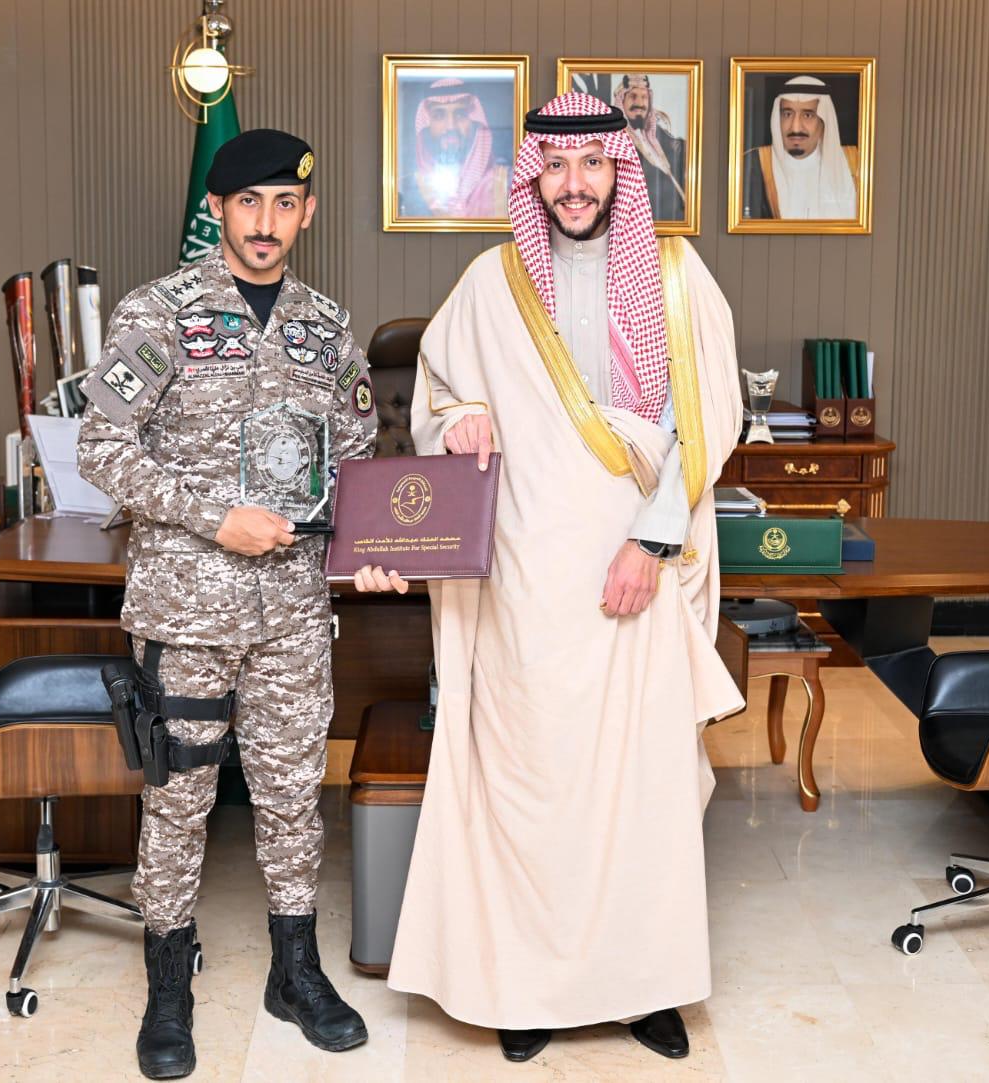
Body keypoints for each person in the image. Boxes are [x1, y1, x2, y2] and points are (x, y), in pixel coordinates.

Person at [355, 93, 744, 1062]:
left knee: (641, 787)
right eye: (556, 169)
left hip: (637, 568)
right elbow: (438, 397)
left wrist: (651, 545)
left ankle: (645, 986)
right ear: (532, 178)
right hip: (524, 578)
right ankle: (524, 989)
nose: (575, 187)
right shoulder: (490, 284)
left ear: (620, 171)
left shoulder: (678, 276)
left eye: (593, 166)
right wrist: (461, 421)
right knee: (527, 781)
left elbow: (708, 421)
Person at [77, 128, 376, 1079]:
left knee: (292, 796)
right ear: (217, 209)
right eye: (248, 202)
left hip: (293, 613)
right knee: (179, 801)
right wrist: (215, 517)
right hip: (187, 611)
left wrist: (371, 552)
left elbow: (358, 461)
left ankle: (296, 972)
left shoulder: (327, 327)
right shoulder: (157, 313)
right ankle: (168, 987)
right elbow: (102, 449)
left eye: (285, 203)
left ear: (307, 212)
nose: (266, 222)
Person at [744, 75, 860, 220]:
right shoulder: (752, 164)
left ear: (823, 121)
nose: (796, 127)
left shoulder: (855, 163)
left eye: (807, 115)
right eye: (787, 114)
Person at [400, 77, 511, 218]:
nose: (451, 126)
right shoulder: (412, 185)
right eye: (439, 116)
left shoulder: (502, 180)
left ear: (474, 121)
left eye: (460, 115)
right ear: (427, 124)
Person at [614, 74, 687, 221]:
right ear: (622, 101)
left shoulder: (658, 137)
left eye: (644, 97)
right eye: (633, 96)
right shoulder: (617, 142)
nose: (639, 103)